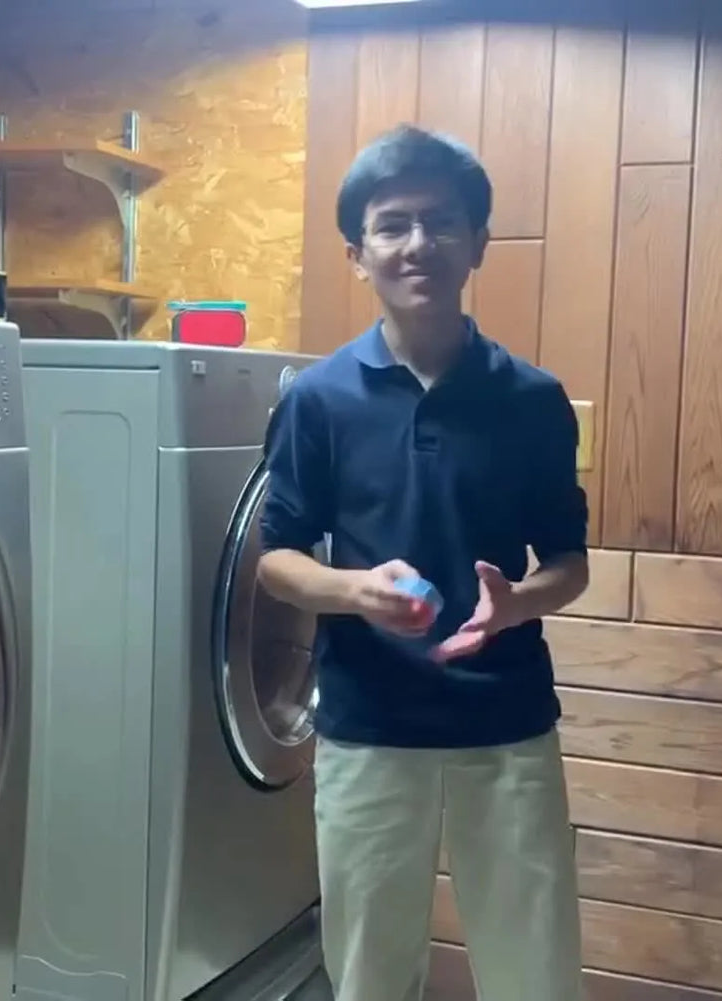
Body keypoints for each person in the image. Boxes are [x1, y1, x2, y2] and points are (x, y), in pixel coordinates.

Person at [257, 124, 589, 1001]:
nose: (418, 244)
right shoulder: (319, 398)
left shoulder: (533, 399)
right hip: (369, 721)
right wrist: (353, 590)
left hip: (507, 723)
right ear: (357, 252)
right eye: (393, 224)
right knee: (368, 971)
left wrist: (516, 604)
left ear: (477, 242)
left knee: (537, 969)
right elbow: (275, 559)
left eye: (441, 222)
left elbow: (570, 561)